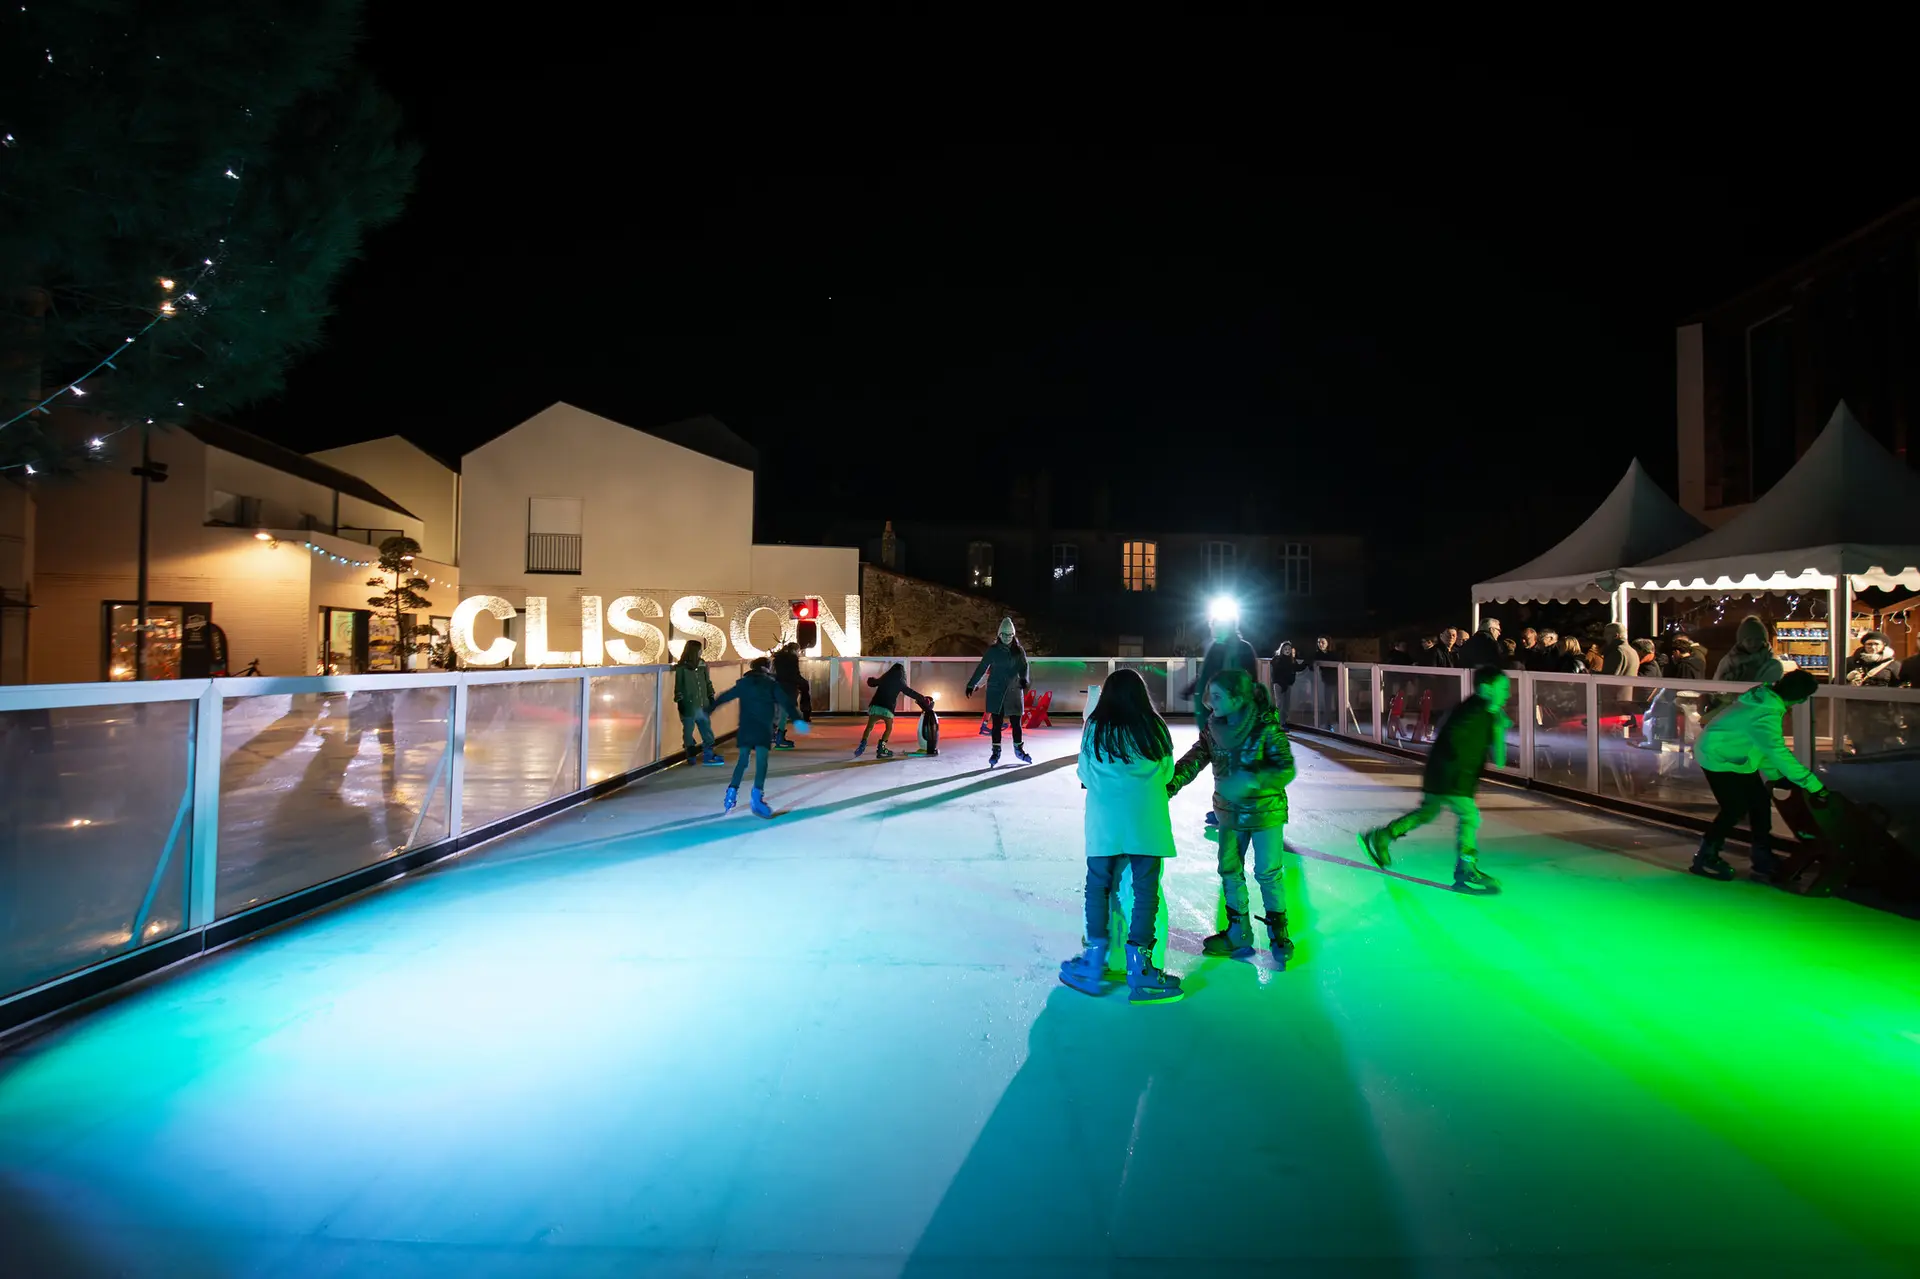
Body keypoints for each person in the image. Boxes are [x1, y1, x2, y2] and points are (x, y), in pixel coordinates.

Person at [1059, 668, 1183, 1005]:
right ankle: (1140, 967)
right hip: (1147, 823)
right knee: (1145, 892)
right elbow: (1168, 772)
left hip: (1105, 824)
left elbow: (1083, 772)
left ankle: (1094, 960)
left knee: (1098, 887)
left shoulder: (1096, 730)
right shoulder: (1154, 728)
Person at [1167, 668, 1300, 963]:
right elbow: (1194, 759)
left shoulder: (1266, 727)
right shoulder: (1213, 729)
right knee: (1229, 869)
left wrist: (1254, 779)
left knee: (1268, 872)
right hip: (1229, 814)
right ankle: (1238, 931)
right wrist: (1170, 784)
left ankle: (1279, 933)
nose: (1209, 703)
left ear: (1238, 697)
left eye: (1217, 696)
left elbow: (1286, 767)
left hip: (1266, 813)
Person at [1357, 665, 1510, 894]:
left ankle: (1383, 836)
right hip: (1450, 776)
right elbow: (1454, 743)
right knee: (1469, 816)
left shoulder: (1487, 713)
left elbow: (1498, 759)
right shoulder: (1472, 711)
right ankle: (1466, 868)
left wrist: (1499, 729)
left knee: (1427, 813)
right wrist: (1461, 783)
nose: (1507, 693)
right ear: (1486, 688)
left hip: (1446, 775)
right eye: (1502, 688)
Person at [1689, 669, 1823, 883]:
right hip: (1718, 757)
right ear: (1799, 697)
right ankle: (1706, 857)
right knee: (1734, 808)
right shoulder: (1765, 713)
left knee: (1759, 803)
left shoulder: (1764, 699)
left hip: (1734, 755)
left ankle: (1761, 856)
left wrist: (1775, 777)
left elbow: (1760, 746)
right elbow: (1776, 751)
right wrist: (1814, 786)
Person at [711, 655, 809, 816]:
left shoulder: (744, 684)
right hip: (762, 728)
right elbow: (786, 702)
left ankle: (731, 793)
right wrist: (798, 720)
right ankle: (757, 797)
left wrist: (709, 709)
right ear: (766, 668)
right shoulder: (770, 684)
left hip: (746, 728)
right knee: (761, 762)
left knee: (742, 761)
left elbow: (724, 697)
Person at [965, 617, 1032, 766]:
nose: (1007, 638)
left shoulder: (1018, 651)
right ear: (999, 635)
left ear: (1013, 636)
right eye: (1004, 635)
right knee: (996, 723)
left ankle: (1019, 749)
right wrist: (971, 684)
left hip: (1014, 690)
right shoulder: (993, 651)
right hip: (997, 691)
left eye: (1010, 635)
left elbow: (1024, 666)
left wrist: (1024, 679)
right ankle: (996, 751)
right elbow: (982, 667)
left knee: (1016, 723)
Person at [1186, 610, 1260, 731]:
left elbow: (1252, 679)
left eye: (1217, 626)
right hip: (1214, 710)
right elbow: (1206, 675)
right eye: (1213, 626)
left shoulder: (1243, 648)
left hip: (1234, 708)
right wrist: (1191, 688)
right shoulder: (1214, 648)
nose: (1213, 630)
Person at [855, 661, 928, 760]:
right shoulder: (900, 682)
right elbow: (910, 692)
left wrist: (870, 680)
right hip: (887, 709)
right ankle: (882, 748)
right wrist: (923, 698)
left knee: (869, 727)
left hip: (876, 706)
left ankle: (862, 744)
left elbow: (872, 683)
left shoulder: (884, 678)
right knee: (888, 728)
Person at [673, 640, 726, 766]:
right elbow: (678, 687)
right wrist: (680, 702)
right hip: (688, 705)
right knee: (688, 732)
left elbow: (707, 682)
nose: (701, 652)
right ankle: (690, 753)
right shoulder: (682, 668)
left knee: (706, 730)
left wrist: (711, 696)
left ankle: (708, 754)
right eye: (699, 649)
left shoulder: (702, 665)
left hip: (703, 705)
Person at [1713, 615, 1785, 685]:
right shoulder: (1730, 662)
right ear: (1741, 642)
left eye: (1758, 640)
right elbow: (1716, 686)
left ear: (1764, 641)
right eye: (1749, 640)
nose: (1753, 644)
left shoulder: (1772, 665)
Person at [771, 642, 811, 750]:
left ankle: (774, 735)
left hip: (778, 688)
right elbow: (794, 675)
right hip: (789, 689)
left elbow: (775, 673)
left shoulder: (778, 659)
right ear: (795, 650)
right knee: (784, 714)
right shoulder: (792, 659)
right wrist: (803, 683)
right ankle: (779, 738)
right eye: (798, 651)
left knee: (778, 713)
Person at [1270, 640, 1306, 723]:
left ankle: (1284, 721)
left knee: (1286, 704)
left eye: (1289, 649)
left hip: (1288, 684)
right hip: (1279, 684)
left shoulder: (1291, 660)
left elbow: (1298, 668)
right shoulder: (1277, 659)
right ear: (1282, 649)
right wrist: (1280, 683)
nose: (1287, 651)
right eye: (1285, 649)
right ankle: (1278, 723)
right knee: (1279, 704)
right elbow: (1275, 673)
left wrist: (1307, 662)